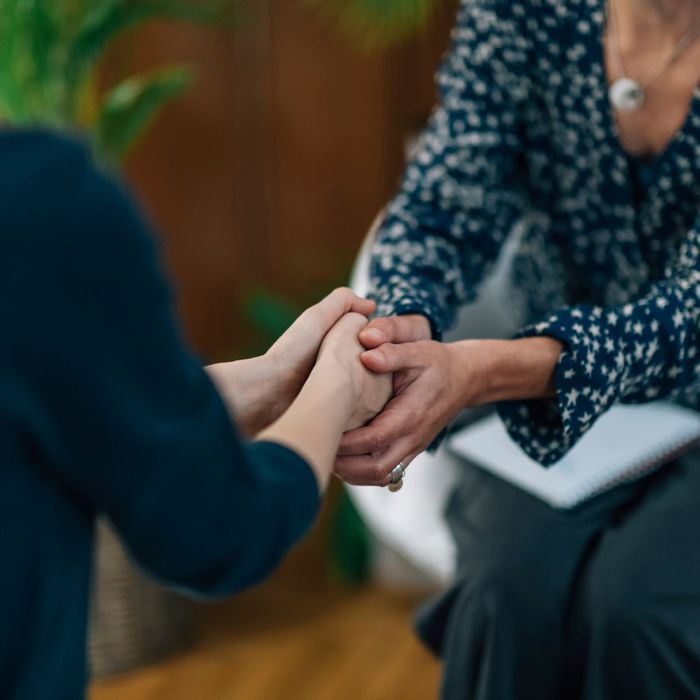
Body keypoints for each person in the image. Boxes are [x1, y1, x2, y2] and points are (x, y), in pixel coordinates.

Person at [333, 0, 700, 697]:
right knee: (504, 591)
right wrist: (405, 325)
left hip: (557, 379)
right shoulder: (524, 12)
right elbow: (443, 206)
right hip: (558, 410)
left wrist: (488, 372)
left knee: (640, 608)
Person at [0, 128, 392, 699]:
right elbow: (221, 530)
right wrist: (335, 387)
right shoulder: (40, 206)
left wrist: (272, 376)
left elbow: (58, 406)